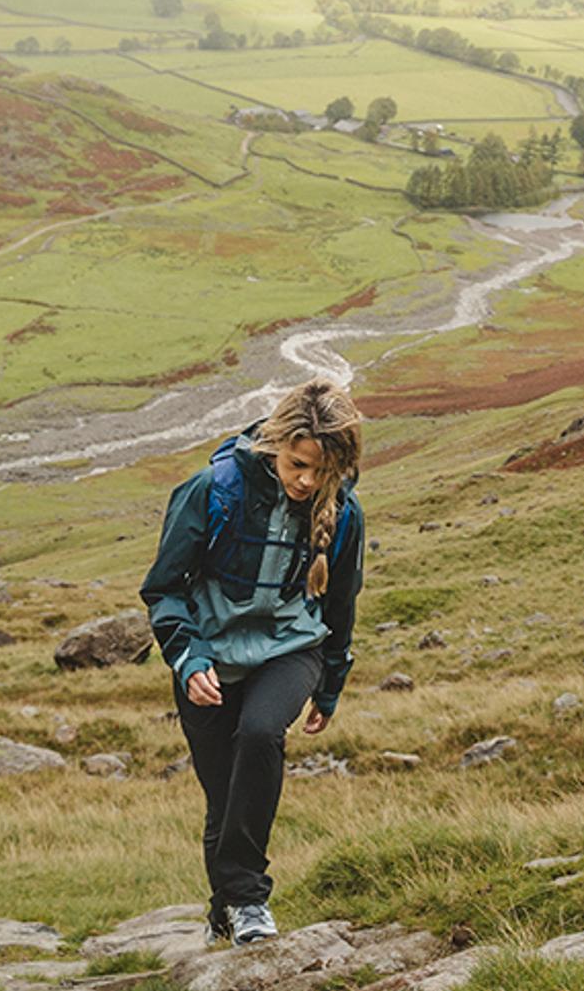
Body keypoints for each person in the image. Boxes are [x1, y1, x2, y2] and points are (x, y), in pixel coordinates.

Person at [141, 379, 365, 946]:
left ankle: (248, 901)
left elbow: (340, 604)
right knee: (226, 798)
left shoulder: (344, 513)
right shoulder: (212, 490)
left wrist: (331, 685)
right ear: (275, 444)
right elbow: (164, 588)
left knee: (262, 733)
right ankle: (227, 910)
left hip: (292, 648)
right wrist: (188, 658)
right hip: (209, 654)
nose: (307, 481)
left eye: (322, 471)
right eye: (298, 464)